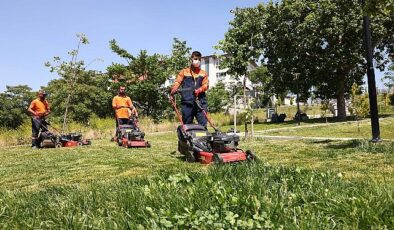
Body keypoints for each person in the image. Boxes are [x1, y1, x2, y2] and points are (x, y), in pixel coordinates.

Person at [170, 51, 209, 128]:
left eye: (198, 59)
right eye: (195, 58)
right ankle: (187, 139)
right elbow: (177, 82)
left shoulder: (203, 73)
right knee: (187, 126)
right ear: (191, 59)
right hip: (187, 103)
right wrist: (174, 89)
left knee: (203, 125)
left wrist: (199, 90)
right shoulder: (184, 72)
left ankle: (203, 139)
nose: (196, 61)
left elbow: (206, 85)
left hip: (200, 102)